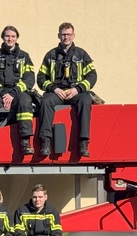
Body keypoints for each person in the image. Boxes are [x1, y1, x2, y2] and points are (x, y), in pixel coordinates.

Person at [37, 22, 97, 157]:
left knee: (86, 100)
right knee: (46, 101)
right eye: (63, 34)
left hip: (75, 92)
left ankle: (83, 142)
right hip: (56, 92)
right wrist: (54, 88)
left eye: (69, 34)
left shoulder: (82, 54)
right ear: (59, 36)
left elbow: (92, 76)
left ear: (73, 35)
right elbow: (41, 78)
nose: (66, 37)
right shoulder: (50, 55)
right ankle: (45, 141)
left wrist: (78, 89)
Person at [0, 26, 36, 155]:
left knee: (25, 101)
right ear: (3, 37)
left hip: (17, 93)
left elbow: (29, 79)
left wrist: (13, 93)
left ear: (16, 38)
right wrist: (3, 93)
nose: (10, 39)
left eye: (12, 36)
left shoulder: (24, 56)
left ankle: (25, 142)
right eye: (7, 36)